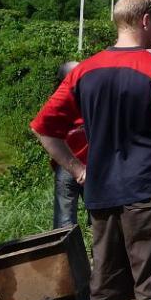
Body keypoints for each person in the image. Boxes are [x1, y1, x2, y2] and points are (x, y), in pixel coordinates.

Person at [30, 0, 151, 300]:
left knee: (102, 290)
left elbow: (43, 128)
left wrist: (77, 169)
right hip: (149, 191)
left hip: (101, 191)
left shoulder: (84, 71)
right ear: (146, 20)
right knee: (150, 288)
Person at [52, 61, 88, 229]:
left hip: (74, 165)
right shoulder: (88, 99)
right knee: (98, 217)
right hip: (76, 166)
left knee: (65, 219)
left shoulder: (55, 103)